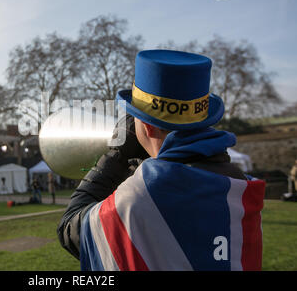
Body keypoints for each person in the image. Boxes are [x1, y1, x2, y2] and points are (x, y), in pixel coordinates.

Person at [57, 49, 266, 271]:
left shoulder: (142, 194)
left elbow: (71, 229)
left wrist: (115, 156)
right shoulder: (241, 188)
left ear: (146, 126)